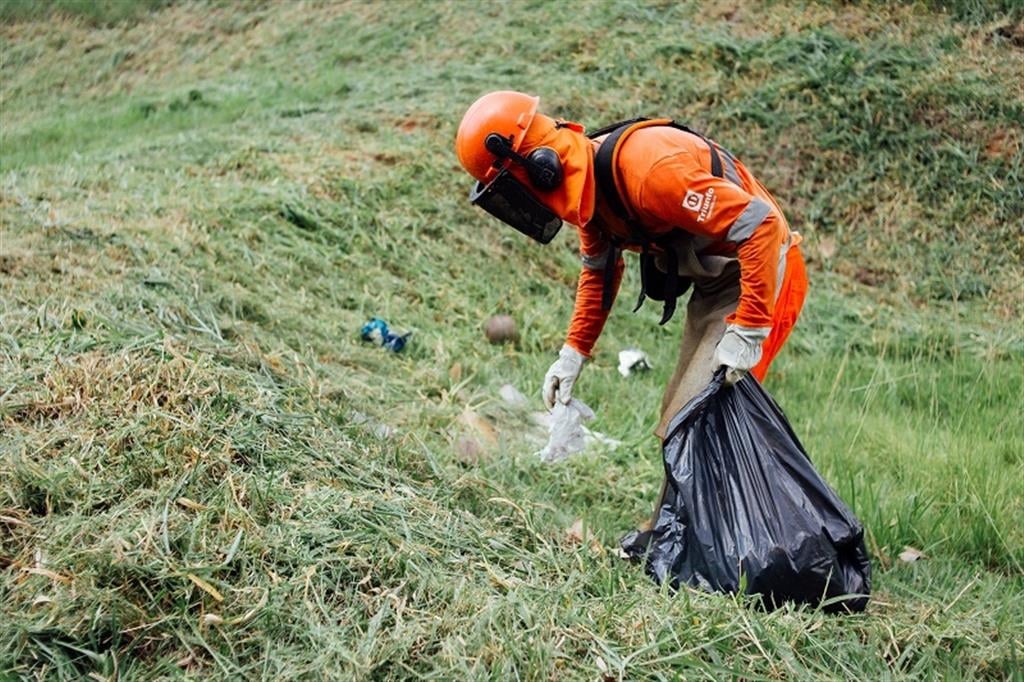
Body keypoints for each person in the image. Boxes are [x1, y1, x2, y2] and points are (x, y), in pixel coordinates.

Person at [455, 90, 808, 441]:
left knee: (711, 427)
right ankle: (687, 498)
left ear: (539, 167)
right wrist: (572, 355)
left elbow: (762, 227)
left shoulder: (649, 172)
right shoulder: (592, 194)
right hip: (719, 282)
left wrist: (750, 327)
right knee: (678, 422)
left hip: (766, 269)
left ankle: (756, 497)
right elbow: (598, 274)